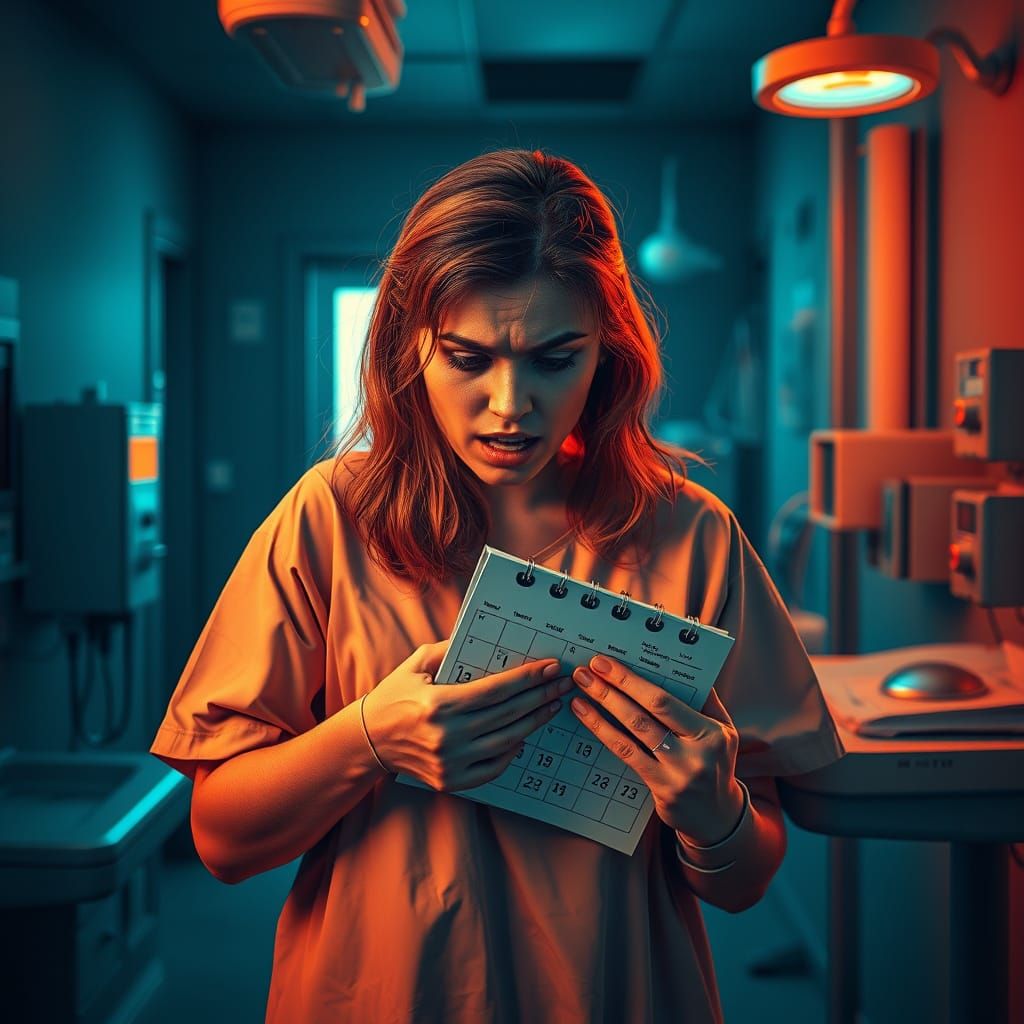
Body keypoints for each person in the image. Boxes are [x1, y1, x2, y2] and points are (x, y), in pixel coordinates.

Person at [149, 148, 844, 1023]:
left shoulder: (691, 534)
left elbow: (747, 881)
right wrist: (368, 740)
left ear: (608, 356)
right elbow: (220, 842)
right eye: (468, 358)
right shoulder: (328, 519)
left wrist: (714, 813)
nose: (509, 404)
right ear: (412, 346)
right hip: (384, 994)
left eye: (556, 359)